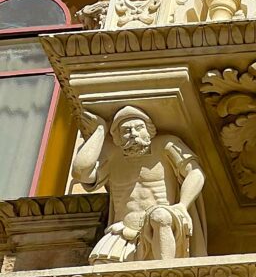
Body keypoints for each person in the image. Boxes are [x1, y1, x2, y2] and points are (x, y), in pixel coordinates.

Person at [73, 106, 207, 263]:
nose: (133, 134)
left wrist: (182, 206)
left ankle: (166, 269)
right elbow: (80, 172)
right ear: (117, 137)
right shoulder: (112, 155)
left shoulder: (165, 145)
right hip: (123, 230)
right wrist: (100, 130)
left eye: (138, 128)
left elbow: (195, 173)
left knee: (160, 216)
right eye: (126, 131)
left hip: (164, 225)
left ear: (149, 130)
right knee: (100, 270)